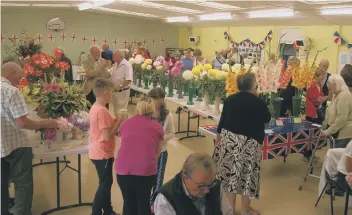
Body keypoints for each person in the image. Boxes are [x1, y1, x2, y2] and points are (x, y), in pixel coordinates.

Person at [1, 62, 59, 215]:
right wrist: (46, 123)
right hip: (15, 145)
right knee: (23, 184)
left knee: (1, 183)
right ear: (12, 73)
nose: (20, 82)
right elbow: (22, 123)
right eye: (19, 78)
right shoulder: (12, 92)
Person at [214, 72, 271, 215]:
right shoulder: (259, 103)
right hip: (249, 143)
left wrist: (218, 139)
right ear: (252, 85)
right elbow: (267, 118)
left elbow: (222, 120)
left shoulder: (230, 99)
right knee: (248, 175)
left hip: (230, 140)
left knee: (230, 175)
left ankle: (230, 209)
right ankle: (245, 210)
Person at [115, 97, 164, 215]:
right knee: (143, 202)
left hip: (123, 169)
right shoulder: (157, 126)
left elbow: (124, 144)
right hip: (145, 170)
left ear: (138, 108)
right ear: (152, 109)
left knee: (128, 203)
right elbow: (157, 152)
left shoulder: (126, 123)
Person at [88, 78, 126, 215]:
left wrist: (116, 119)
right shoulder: (102, 111)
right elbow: (107, 136)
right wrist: (120, 120)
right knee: (104, 185)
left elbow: (106, 128)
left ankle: (108, 210)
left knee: (106, 182)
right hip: (102, 153)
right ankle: (96, 211)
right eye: (111, 92)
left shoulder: (95, 107)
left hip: (97, 151)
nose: (112, 95)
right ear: (105, 93)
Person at [154, 152, 233, 215]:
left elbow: (228, 213)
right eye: (201, 186)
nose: (207, 191)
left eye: (210, 185)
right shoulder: (166, 199)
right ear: (186, 178)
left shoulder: (215, 186)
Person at [148, 88, 176, 209]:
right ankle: (146, 203)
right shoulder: (145, 114)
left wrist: (162, 139)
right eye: (152, 99)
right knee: (147, 179)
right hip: (147, 153)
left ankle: (154, 206)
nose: (154, 102)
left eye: (156, 99)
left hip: (162, 153)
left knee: (158, 181)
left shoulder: (167, 115)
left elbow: (172, 132)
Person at [302, 68, 327, 162]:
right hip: (311, 112)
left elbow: (322, 95)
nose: (323, 78)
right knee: (310, 135)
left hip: (317, 113)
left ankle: (311, 154)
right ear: (317, 75)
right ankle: (306, 155)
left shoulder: (319, 84)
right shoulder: (311, 85)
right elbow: (317, 99)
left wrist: (323, 98)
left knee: (315, 135)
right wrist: (323, 98)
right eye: (322, 76)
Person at [322, 74, 352, 148]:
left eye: (329, 83)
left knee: (337, 157)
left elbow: (342, 119)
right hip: (336, 132)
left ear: (336, 84)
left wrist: (328, 131)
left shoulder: (344, 95)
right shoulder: (337, 94)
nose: (327, 85)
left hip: (343, 135)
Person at [110, 50, 133, 116]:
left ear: (120, 56)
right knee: (116, 111)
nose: (113, 56)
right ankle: (119, 125)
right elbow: (111, 75)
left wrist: (120, 86)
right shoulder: (115, 64)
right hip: (115, 91)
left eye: (114, 55)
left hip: (122, 91)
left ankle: (124, 126)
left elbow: (129, 79)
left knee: (121, 112)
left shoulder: (127, 65)